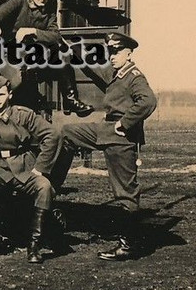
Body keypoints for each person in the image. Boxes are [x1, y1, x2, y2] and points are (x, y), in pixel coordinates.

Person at [54, 32, 157, 262]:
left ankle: (128, 244)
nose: (112, 56)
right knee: (68, 133)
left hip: (122, 137)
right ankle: (51, 187)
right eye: (110, 51)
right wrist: (72, 48)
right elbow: (93, 68)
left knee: (125, 191)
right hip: (106, 130)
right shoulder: (117, 73)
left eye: (117, 52)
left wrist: (125, 122)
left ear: (129, 53)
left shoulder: (134, 77)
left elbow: (148, 101)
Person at [0, 75, 60, 264]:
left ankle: (34, 245)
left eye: (1, 94)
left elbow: (52, 134)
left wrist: (40, 167)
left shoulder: (23, 114)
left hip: (24, 166)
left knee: (44, 187)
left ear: (9, 95)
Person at [0, 0, 93, 117]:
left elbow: (54, 34)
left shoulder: (51, 2)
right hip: (12, 54)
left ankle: (70, 100)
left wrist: (32, 31)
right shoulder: (19, 1)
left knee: (62, 54)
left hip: (36, 53)